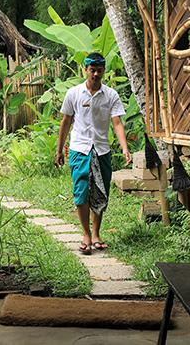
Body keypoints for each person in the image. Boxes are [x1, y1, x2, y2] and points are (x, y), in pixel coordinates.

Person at [54, 52, 132, 255]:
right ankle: (86, 234)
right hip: (79, 149)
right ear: (85, 70)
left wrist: (124, 147)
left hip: (102, 149)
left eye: (99, 70)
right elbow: (66, 121)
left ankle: (96, 234)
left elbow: (117, 122)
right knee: (81, 190)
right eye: (92, 70)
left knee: (100, 191)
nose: (96, 74)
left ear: (103, 70)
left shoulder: (111, 95)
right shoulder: (73, 94)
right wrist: (59, 148)